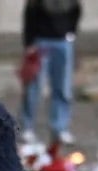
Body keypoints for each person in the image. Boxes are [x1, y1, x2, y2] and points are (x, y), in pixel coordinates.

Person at [22, 0, 83, 146]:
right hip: (41, 41)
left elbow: (76, 11)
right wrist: (29, 43)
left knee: (62, 87)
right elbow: (29, 16)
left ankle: (59, 128)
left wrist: (71, 33)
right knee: (33, 88)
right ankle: (27, 127)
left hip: (62, 42)